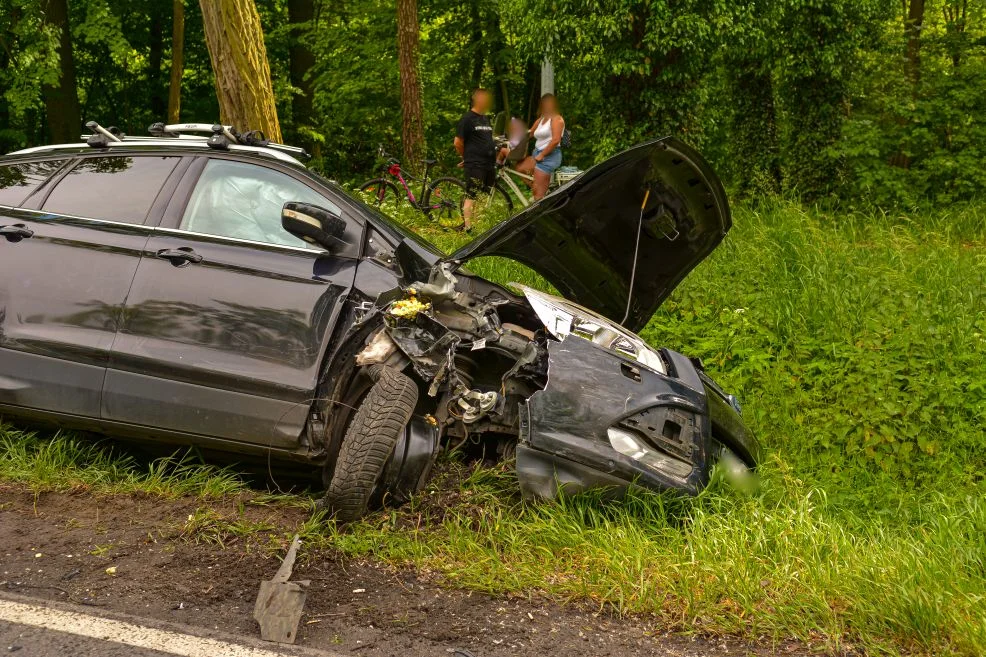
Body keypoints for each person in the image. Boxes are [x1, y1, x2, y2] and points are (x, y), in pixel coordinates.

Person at [454, 88, 496, 231]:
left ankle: (476, 224)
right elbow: (458, 142)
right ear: (476, 99)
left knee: (481, 195)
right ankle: (469, 228)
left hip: (488, 164)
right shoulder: (467, 119)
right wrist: (466, 157)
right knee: (472, 195)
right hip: (475, 163)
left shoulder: (485, 118)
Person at [515, 94, 564, 200]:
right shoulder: (541, 119)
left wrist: (542, 154)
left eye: (550, 103)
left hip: (549, 156)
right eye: (545, 103)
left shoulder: (557, 119)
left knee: (538, 195)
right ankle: (539, 189)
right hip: (537, 154)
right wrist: (512, 139)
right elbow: (530, 133)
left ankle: (540, 197)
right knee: (520, 167)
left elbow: (556, 140)